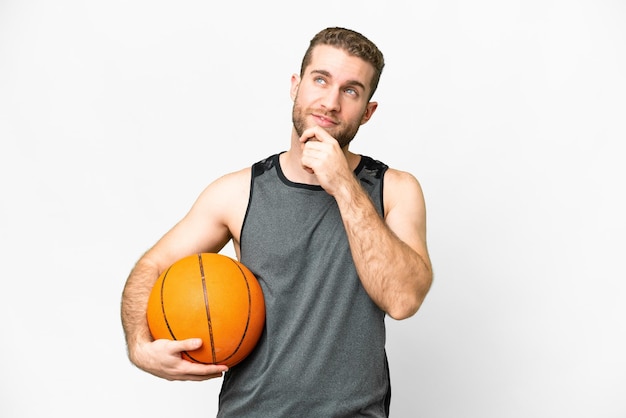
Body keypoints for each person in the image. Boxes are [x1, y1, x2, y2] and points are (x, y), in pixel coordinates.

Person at [121, 26, 433, 417]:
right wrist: (139, 345)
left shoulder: (394, 190)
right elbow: (153, 266)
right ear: (295, 86)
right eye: (321, 80)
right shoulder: (237, 192)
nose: (331, 102)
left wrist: (343, 187)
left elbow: (403, 300)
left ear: (368, 111)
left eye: (351, 90)